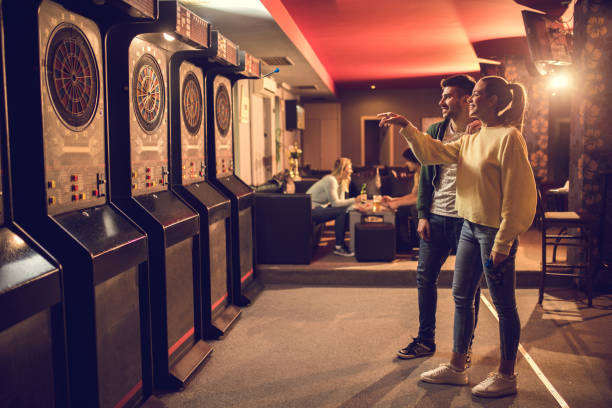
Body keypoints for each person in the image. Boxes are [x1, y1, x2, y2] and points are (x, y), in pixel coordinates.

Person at [378, 75, 537, 398]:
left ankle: (507, 375)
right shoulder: (473, 136)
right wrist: (406, 126)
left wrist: (504, 241)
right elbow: (432, 153)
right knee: (462, 298)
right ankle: (457, 367)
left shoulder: (509, 137)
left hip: (494, 233)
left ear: (493, 100)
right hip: (468, 226)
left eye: (477, 95)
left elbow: (520, 196)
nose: (471, 100)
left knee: (505, 307)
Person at [392, 75, 482, 363]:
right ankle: (425, 340)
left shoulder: (484, 131)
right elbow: (425, 177)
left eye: (447, 96)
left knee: (468, 288)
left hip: (469, 220)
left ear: (466, 98)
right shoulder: (434, 130)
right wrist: (422, 215)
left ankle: (464, 348)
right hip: (437, 218)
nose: (441, 101)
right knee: (425, 278)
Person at [306, 157, 365, 256]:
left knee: (343, 211)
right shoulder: (330, 180)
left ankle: (342, 244)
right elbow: (336, 204)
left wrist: (355, 207)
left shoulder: (341, 182)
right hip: (309, 209)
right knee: (340, 212)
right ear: (343, 169)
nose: (352, 171)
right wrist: (355, 200)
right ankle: (339, 246)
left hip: (319, 208)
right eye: (349, 168)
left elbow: (341, 203)